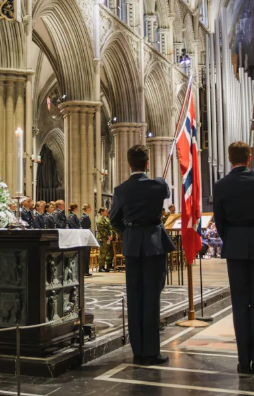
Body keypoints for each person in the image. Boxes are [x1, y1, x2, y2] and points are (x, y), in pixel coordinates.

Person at [213, 141, 254, 374]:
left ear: (229, 158)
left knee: (240, 302)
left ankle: (243, 361)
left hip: (236, 243)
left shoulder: (221, 185)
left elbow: (219, 220)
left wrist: (232, 238)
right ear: (249, 158)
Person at [110, 145, 175, 366]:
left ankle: (138, 352)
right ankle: (151, 352)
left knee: (134, 298)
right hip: (154, 245)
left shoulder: (121, 190)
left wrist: (131, 230)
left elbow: (114, 219)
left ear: (129, 164)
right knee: (151, 297)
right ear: (147, 163)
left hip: (132, 245)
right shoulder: (158, 184)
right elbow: (165, 193)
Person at [96, 207, 114, 272]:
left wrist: (111, 234)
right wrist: (108, 235)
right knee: (102, 253)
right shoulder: (99, 220)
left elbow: (109, 227)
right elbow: (101, 229)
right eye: (106, 211)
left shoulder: (105, 219)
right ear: (102, 212)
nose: (107, 212)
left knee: (106, 252)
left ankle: (104, 266)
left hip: (106, 238)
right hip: (102, 238)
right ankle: (101, 267)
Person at [80, 204, 93, 277]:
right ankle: (84, 271)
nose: (91, 209)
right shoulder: (83, 217)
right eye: (90, 208)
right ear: (87, 208)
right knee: (85, 255)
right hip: (85, 238)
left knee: (87, 255)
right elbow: (83, 228)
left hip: (87, 238)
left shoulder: (86, 216)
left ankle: (86, 270)